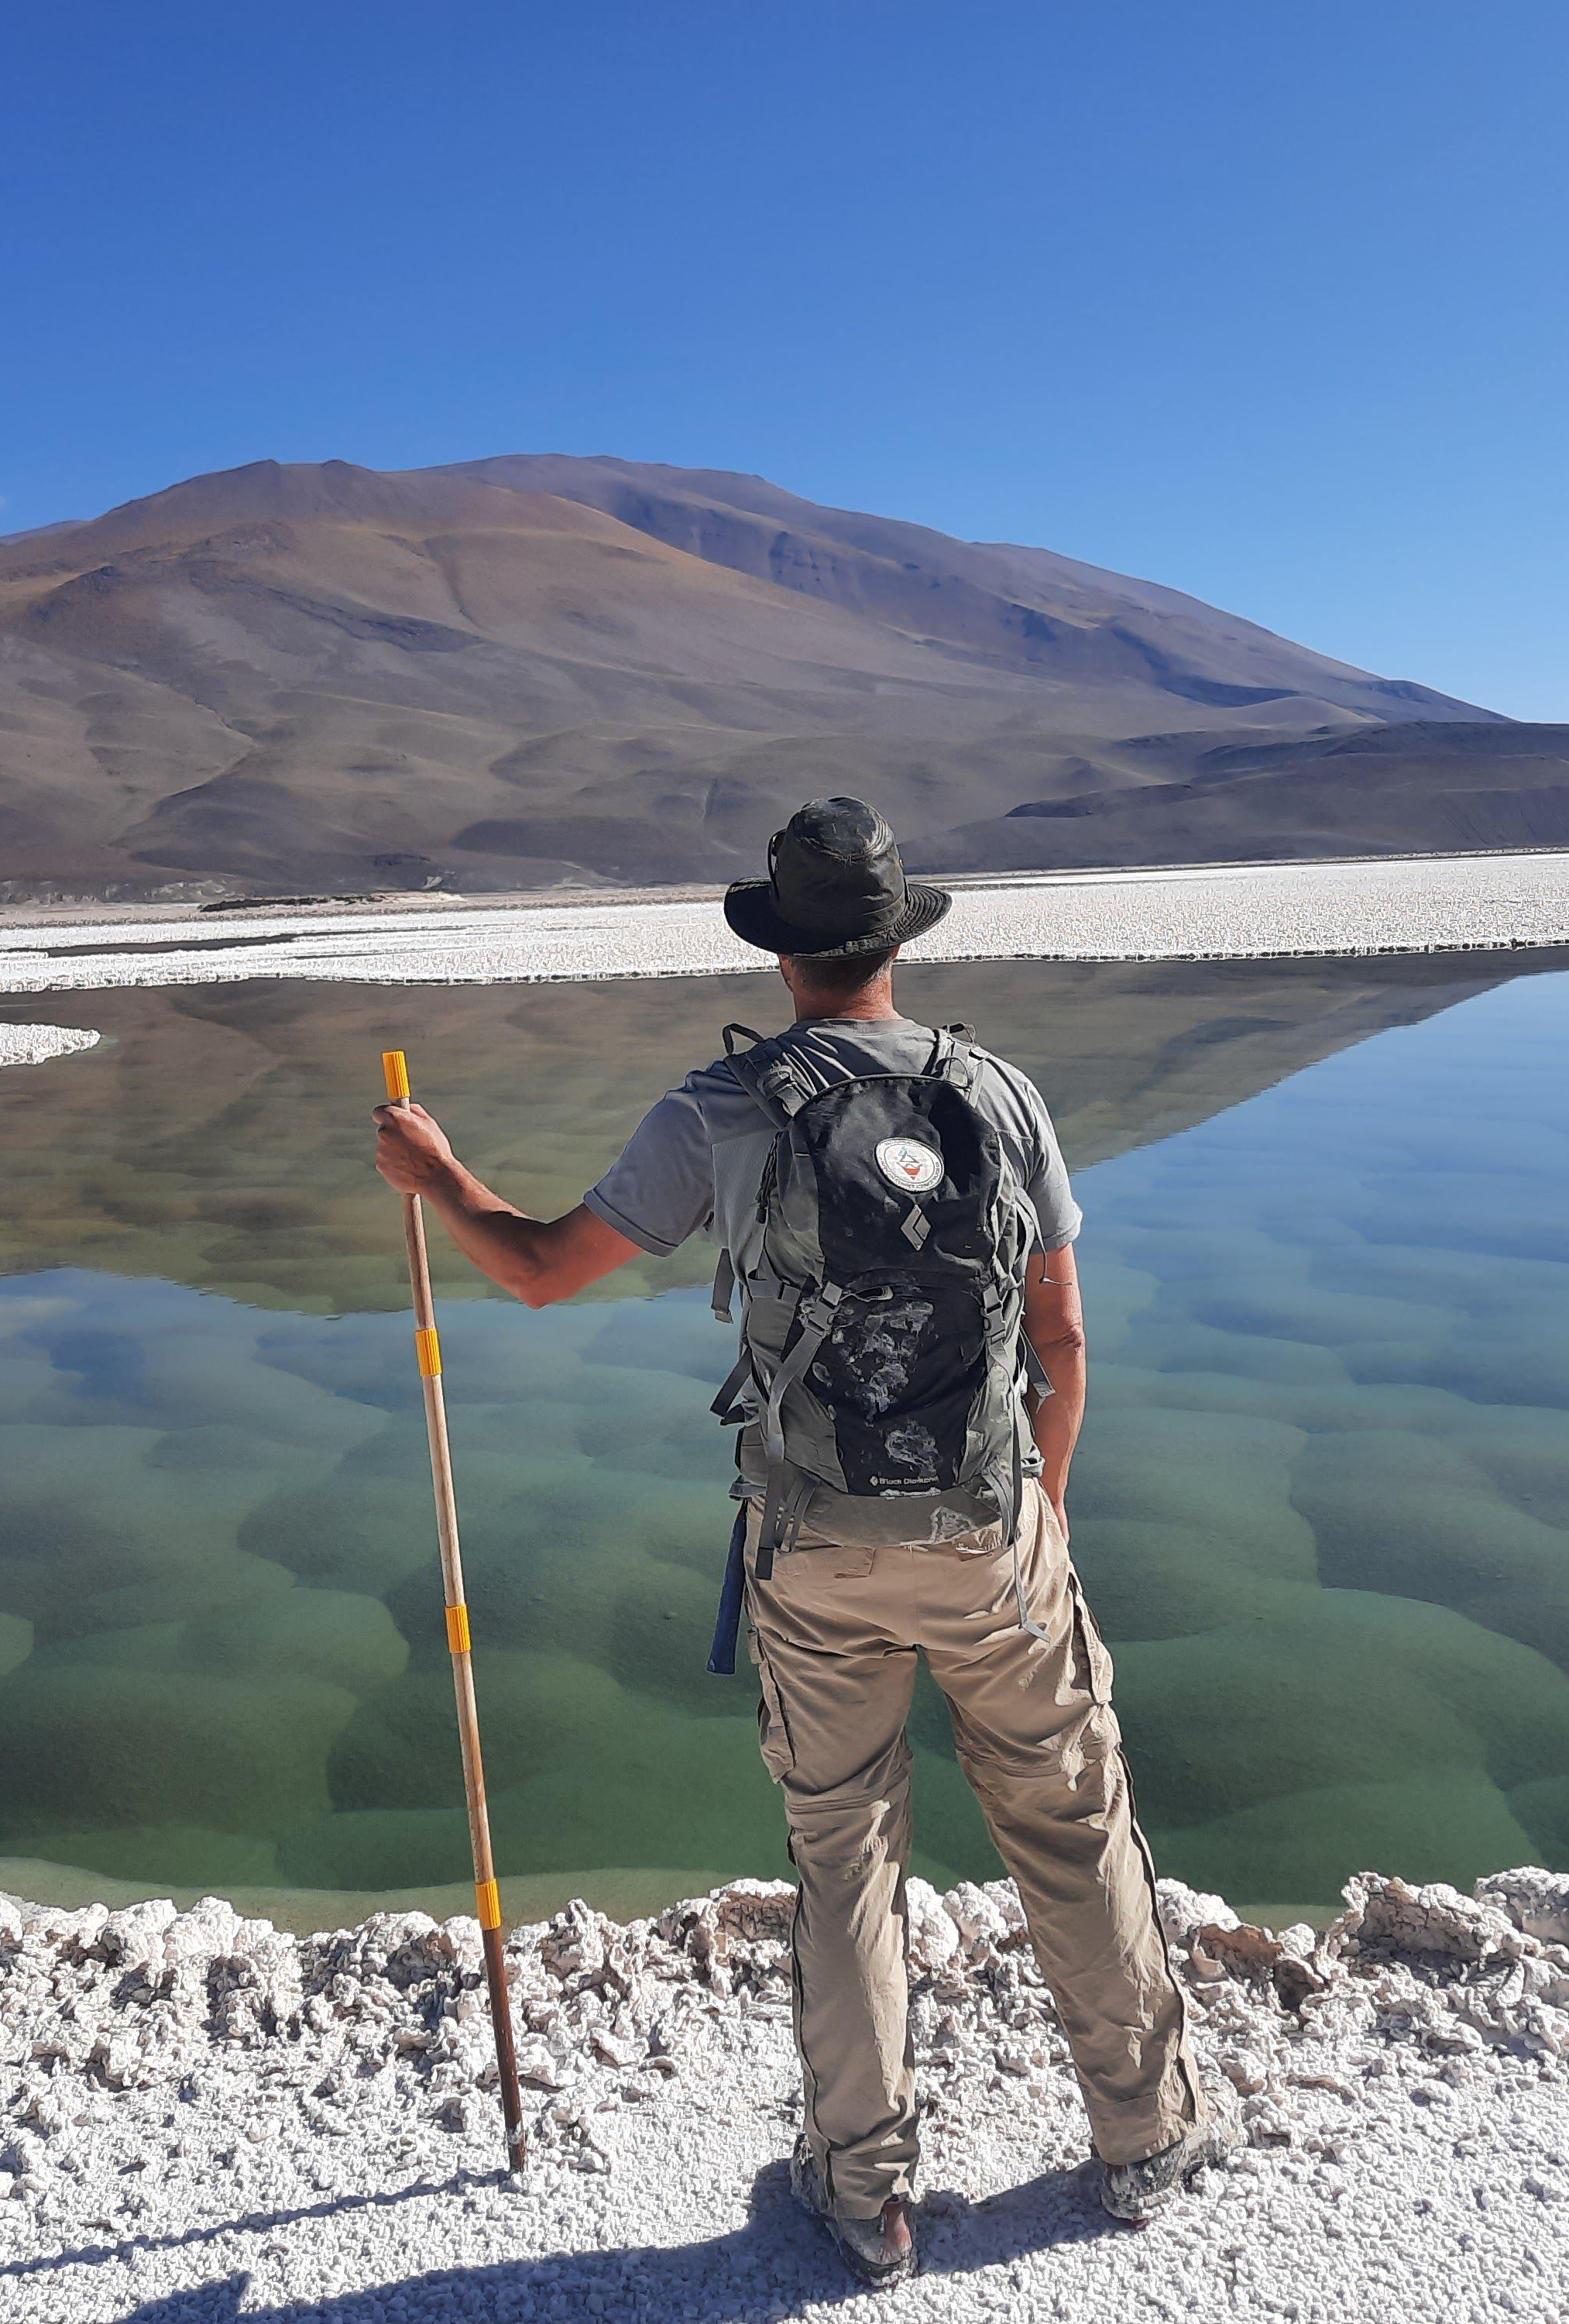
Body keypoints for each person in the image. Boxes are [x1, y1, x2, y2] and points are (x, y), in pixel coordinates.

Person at [373, 796, 1238, 2287]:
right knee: (1074, 1821)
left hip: (814, 1544)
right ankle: (1143, 2134)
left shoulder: (719, 1115)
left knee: (846, 1855)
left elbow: (531, 1272)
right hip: (995, 1528)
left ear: (784, 955)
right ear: (897, 939)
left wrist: (437, 1176)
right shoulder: (1002, 1097)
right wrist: (1038, 1519)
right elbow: (1063, 1339)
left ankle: (865, 2189)